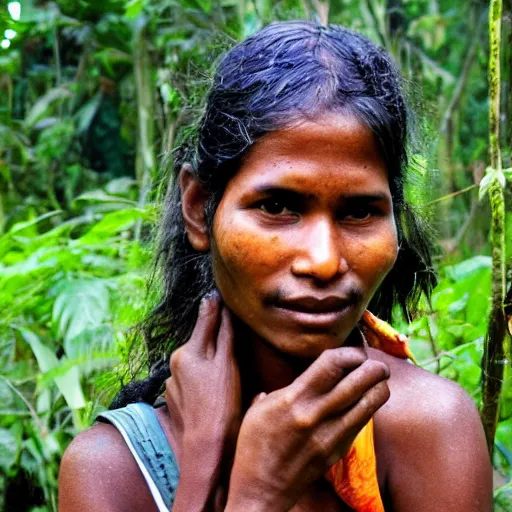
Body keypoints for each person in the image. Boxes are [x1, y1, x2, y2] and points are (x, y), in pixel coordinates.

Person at [58, 21, 493, 512]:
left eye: (360, 212)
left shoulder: (430, 427)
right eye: (277, 206)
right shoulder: (112, 470)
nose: (324, 261)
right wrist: (229, 481)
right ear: (200, 208)